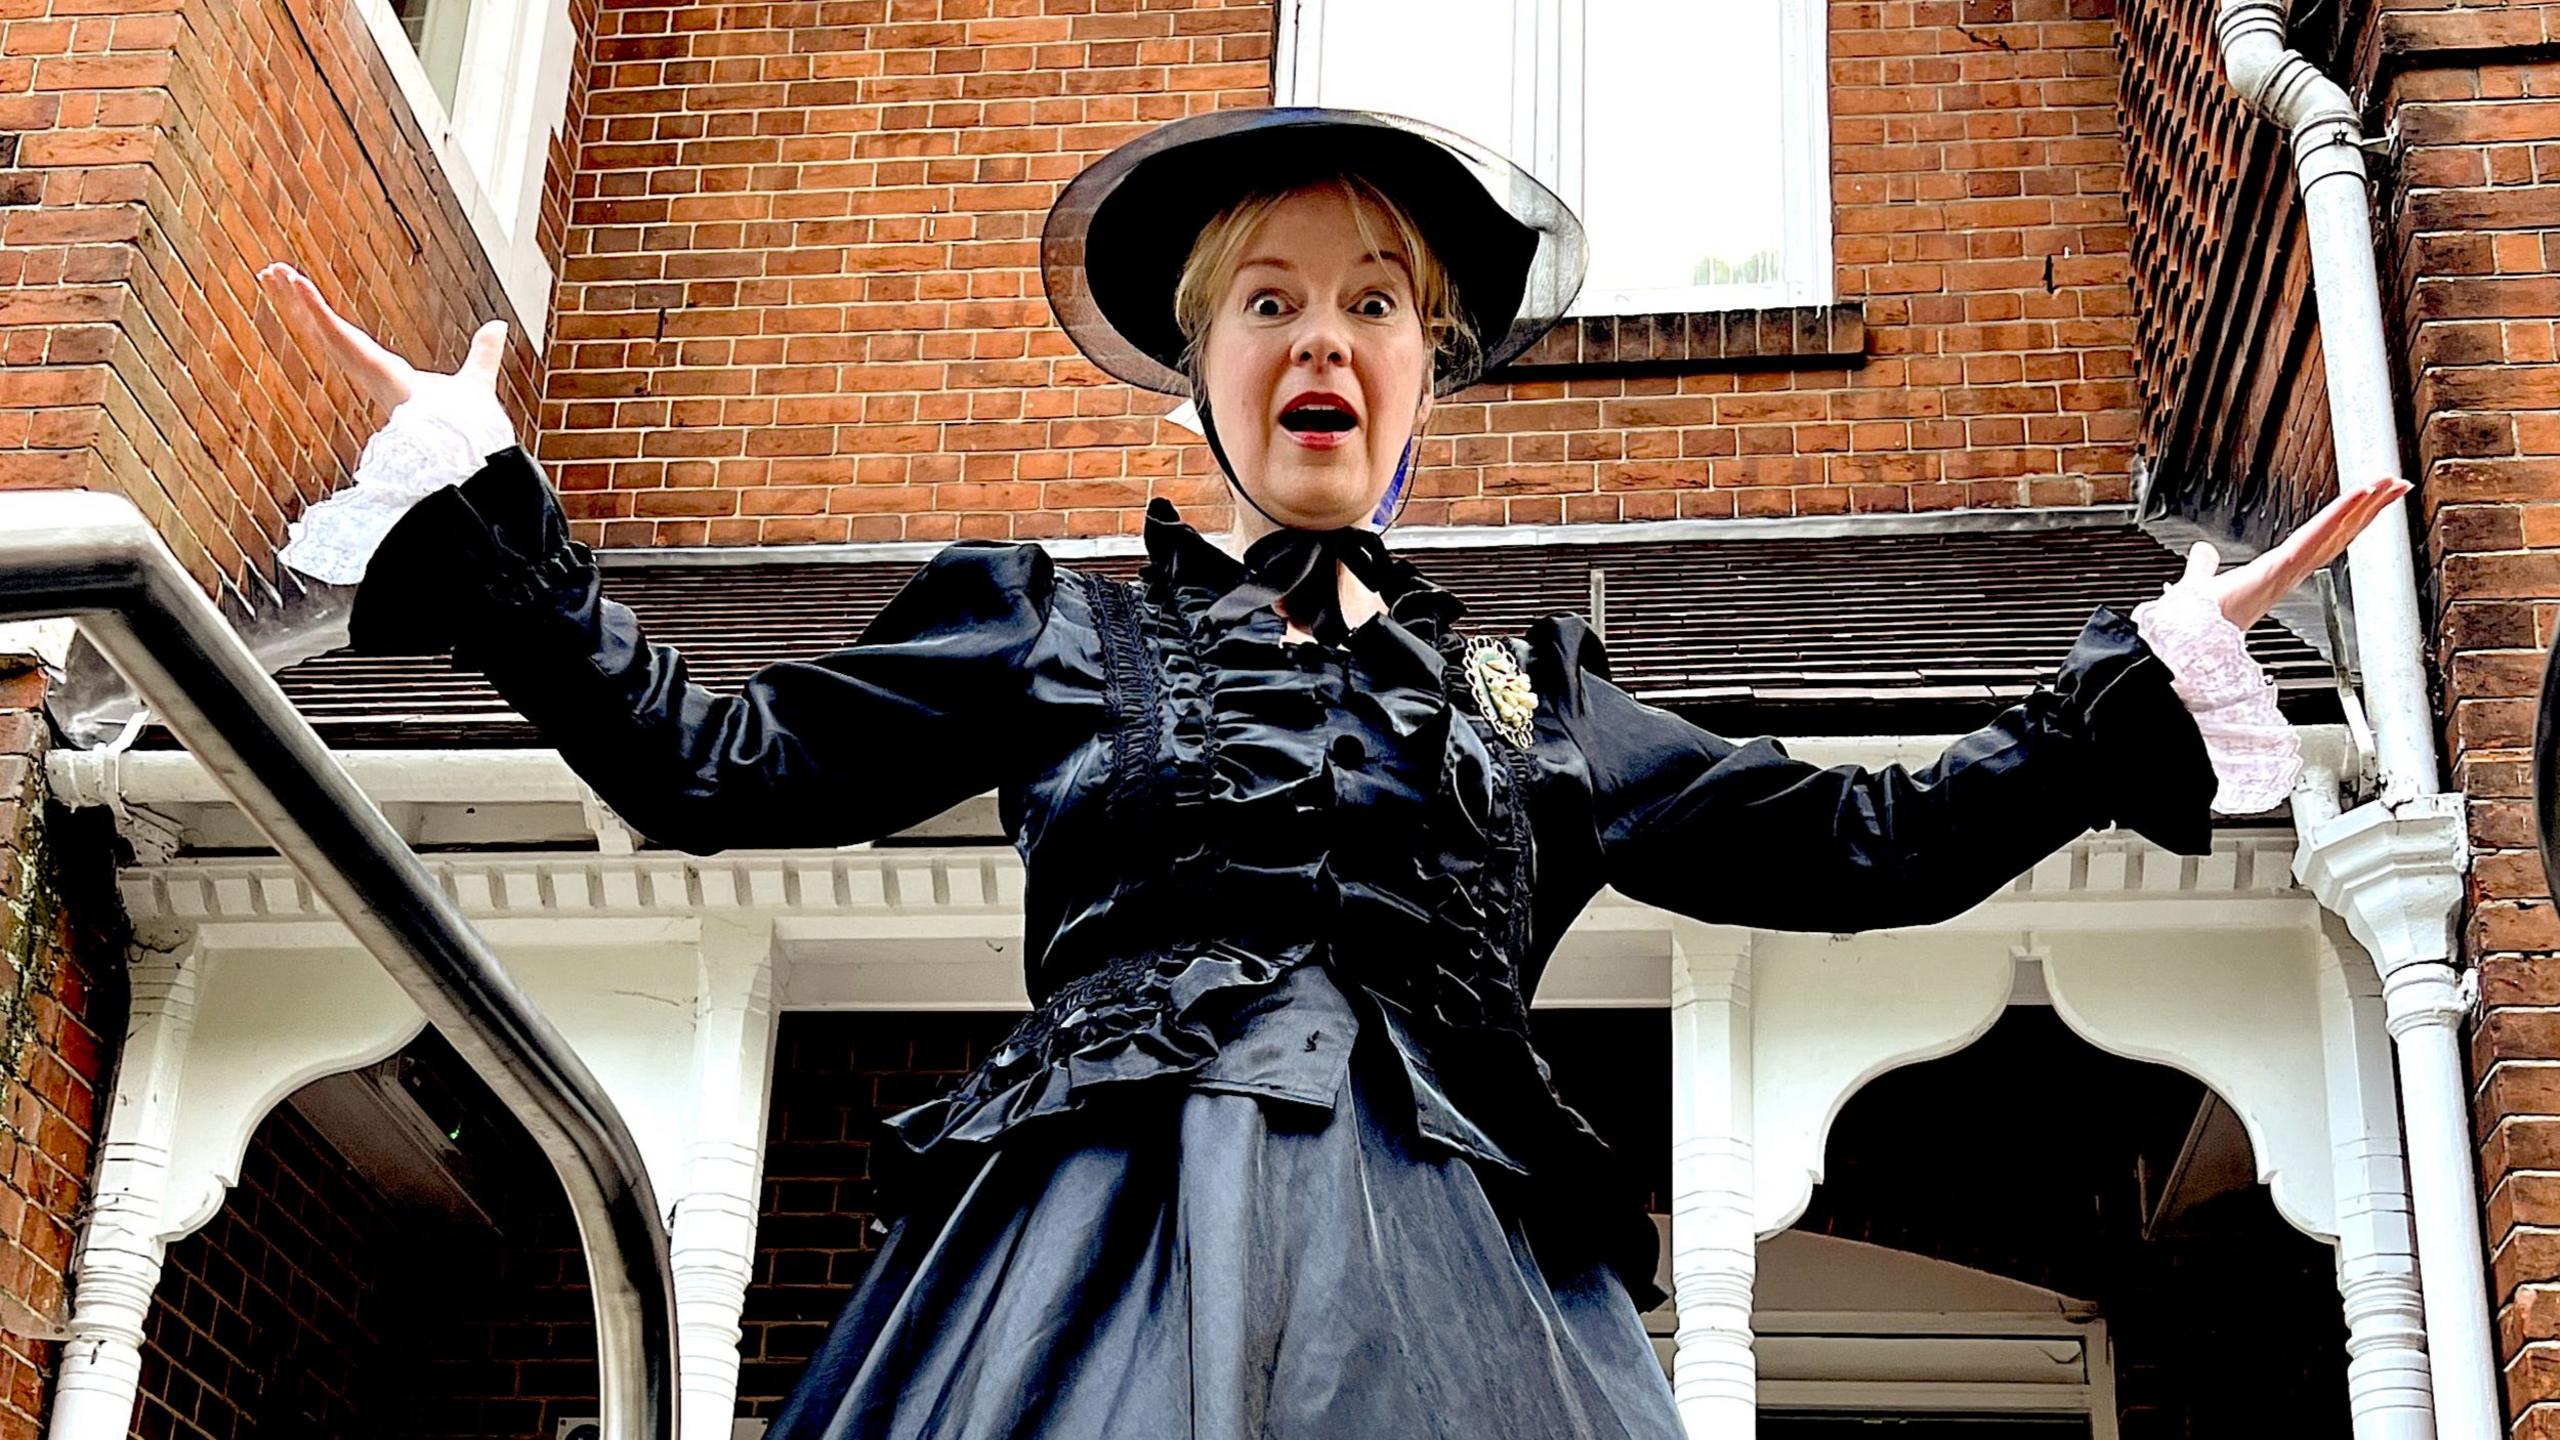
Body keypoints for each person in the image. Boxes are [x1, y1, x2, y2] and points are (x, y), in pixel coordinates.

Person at [260, 108, 2404, 1440]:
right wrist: (490, 524)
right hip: (1084, 1266)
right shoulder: (1051, 622)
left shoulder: (1530, 692)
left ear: (1418, 375)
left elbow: (1862, 843)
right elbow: (711, 767)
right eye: (1265, 298)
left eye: (1370, 301)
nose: (1319, 336)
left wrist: (2135, 676)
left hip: (1451, 1292)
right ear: (1203, 368)